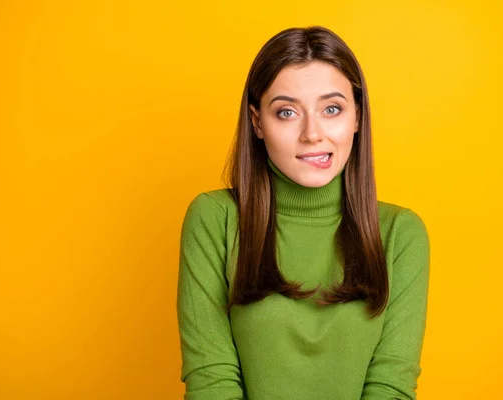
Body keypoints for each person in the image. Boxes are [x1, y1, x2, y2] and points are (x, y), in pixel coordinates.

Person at [177, 25, 430, 400]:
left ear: (357, 117)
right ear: (257, 121)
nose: (313, 133)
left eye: (331, 109)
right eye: (287, 112)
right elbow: (211, 380)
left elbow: (391, 384)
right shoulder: (215, 219)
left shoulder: (399, 233)